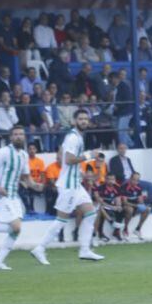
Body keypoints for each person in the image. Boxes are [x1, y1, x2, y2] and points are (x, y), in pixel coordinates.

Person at [31, 109, 106, 263]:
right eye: (81, 118)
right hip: (68, 186)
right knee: (61, 220)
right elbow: (68, 160)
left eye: (86, 118)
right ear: (74, 121)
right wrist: (89, 155)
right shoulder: (73, 137)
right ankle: (40, 248)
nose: (84, 121)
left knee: (91, 213)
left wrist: (82, 174)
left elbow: (68, 161)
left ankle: (85, 250)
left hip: (75, 184)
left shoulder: (77, 137)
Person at [0, 125, 45, 270]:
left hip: (14, 195)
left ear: (24, 137)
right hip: (1, 194)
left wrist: (36, 186)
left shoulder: (24, 155)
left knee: (16, 230)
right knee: (16, 226)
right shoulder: (3, 152)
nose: (19, 136)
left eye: (21, 134)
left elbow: (26, 178)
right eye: (16, 134)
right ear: (11, 137)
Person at [95, 173, 125, 242]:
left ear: (115, 180)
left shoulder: (117, 188)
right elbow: (100, 202)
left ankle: (116, 232)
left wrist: (118, 206)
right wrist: (112, 207)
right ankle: (100, 233)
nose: (111, 181)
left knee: (121, 210)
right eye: (109, 179)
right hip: (101, 206)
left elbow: (118, 199)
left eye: (112, 179)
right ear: (105, 179)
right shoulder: (100, 188)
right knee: (101, 211)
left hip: (110, 206)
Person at [121, 172, 152, 240]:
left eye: (137, 180)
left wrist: (142, 205)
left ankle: (138, 229)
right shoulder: (124, 187)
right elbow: (125, 202)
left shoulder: (139, 187)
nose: (135, 182)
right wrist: (137, 206)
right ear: (130, 179)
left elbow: (140, 200)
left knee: (148, 209)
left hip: (135, 206)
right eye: (134, 179)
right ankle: (125, 229)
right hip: (125, 206)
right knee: (130, 209)